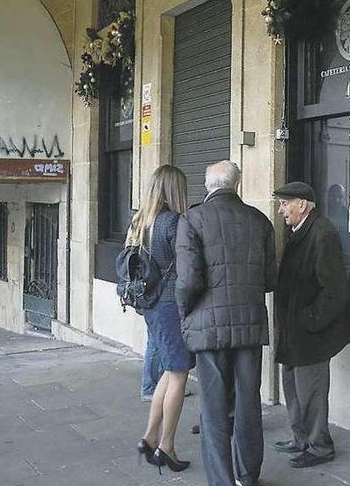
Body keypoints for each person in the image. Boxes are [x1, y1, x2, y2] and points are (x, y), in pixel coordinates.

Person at [176, 161, 277, 486]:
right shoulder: (260, 221)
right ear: (238, 184)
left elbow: (189, 279)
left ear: (208, 187)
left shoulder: (192, 219)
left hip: (208, 326)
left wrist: (185, 312)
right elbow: (270, 279)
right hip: (249, 324)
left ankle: (221, 480)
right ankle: (248, 477)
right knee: (249, 404)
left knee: (214, 408)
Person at [272, 181, 350, 469]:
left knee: (312, 392)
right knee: (293, 386)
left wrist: (309, 320)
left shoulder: (323, 233)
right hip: (294, 330)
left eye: (285, 204)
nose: (281, 210)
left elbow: (334, 291)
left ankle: (319, 446)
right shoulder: (300, 230)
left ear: (302, 205)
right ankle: (300, 438)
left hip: (309, 332)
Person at [129, 165, 192, 473]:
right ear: (174, 189)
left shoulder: (140, 221)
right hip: (169, 307)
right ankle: (166, 445)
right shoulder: (174, 223)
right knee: (178, 373)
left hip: (149, 304)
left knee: (169, 371)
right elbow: (187, 268)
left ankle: (149, 437)